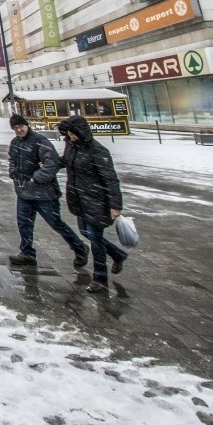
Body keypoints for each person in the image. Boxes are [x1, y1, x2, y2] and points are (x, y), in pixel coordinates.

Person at [6, 113, 88, 269]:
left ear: (26, 125)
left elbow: (53, 163)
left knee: (56, 223)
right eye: (15, 128)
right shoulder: (15, 142)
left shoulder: (39, 141)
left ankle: (79, 247)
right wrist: (13, 172)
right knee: (24, 224)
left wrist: (36, 178)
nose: (19, 130)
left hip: (44, 194)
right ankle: (27, 253)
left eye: (21, 127)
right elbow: (12, 159)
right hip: (24, 192)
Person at [60, 115, 126, 294]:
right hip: (79, 198)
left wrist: (115, 205)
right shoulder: (72, 146)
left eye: (74, 133)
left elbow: (110, 179)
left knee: (95, 239)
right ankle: (117, 254)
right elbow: (65, 161)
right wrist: (48, 163)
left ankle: (100, 278)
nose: (71, 136)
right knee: (85, 232)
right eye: (69, 133)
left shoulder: (97, 150)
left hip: (97, 200)